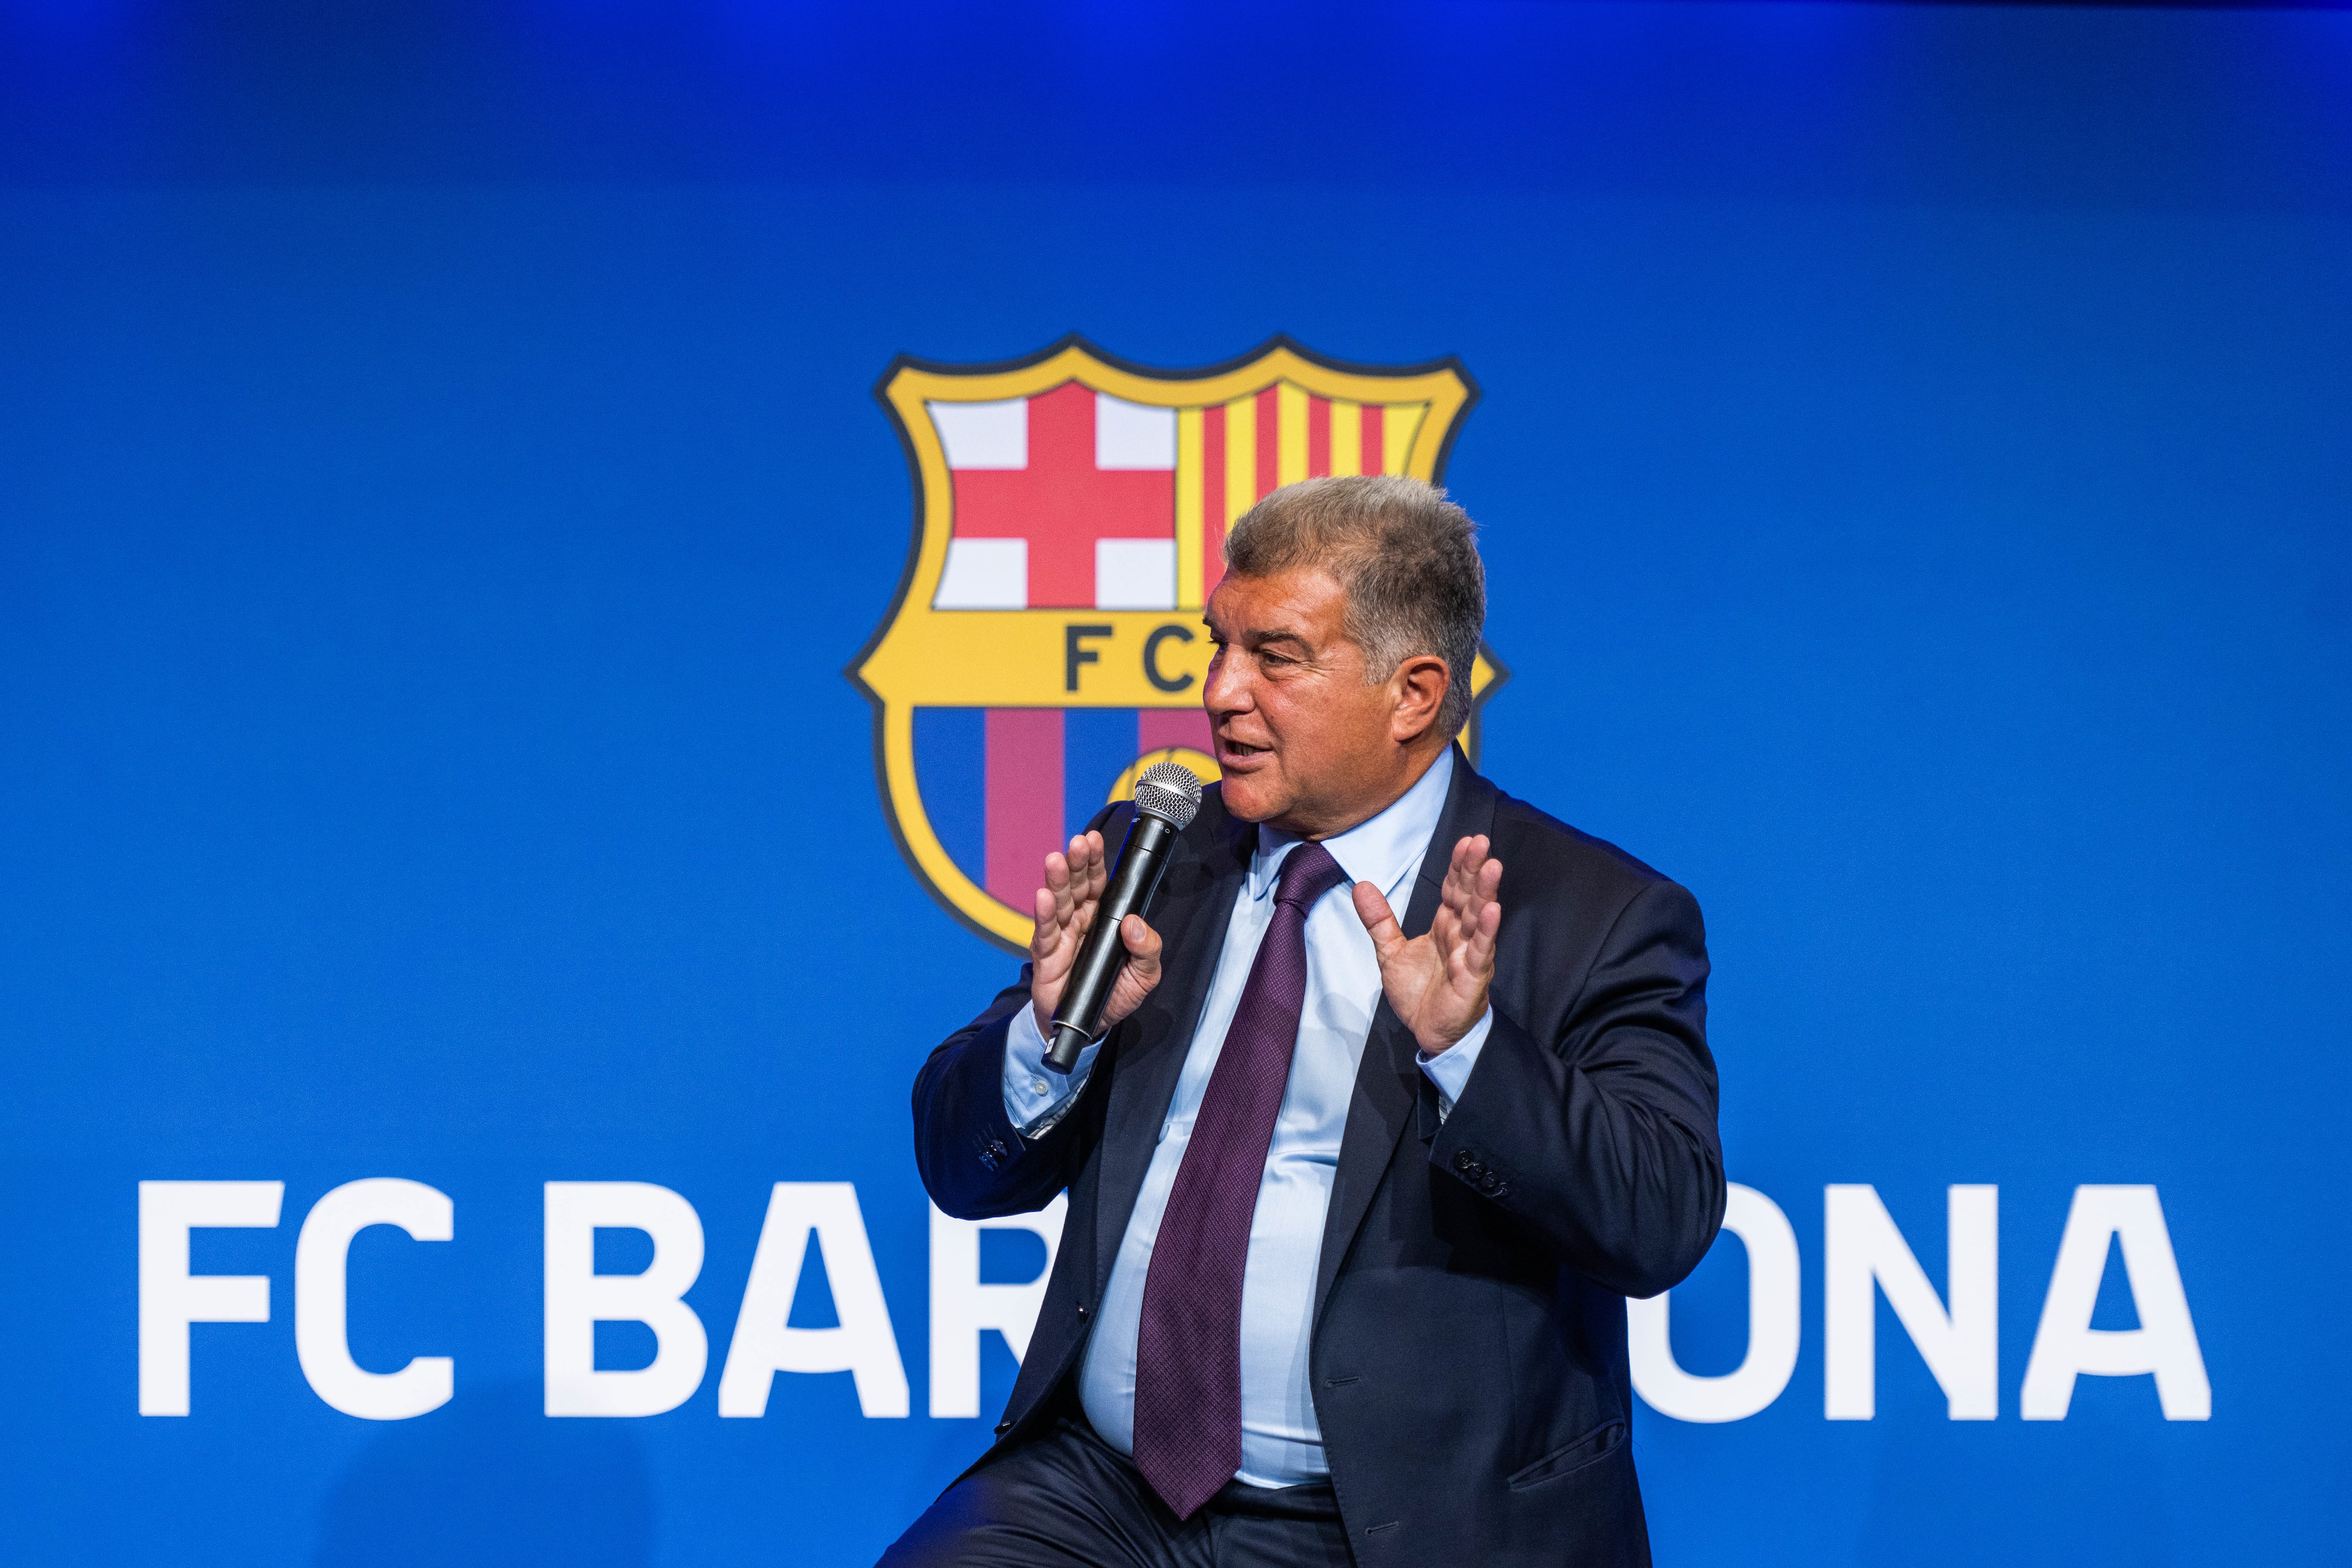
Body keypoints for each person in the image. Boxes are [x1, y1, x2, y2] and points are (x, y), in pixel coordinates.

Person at [887, 476, 1723, 1567]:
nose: (1219, 691)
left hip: (1407, 1527)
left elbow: (1659, 1217)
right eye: (1217, 643)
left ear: (1414, 692)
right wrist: (1055, 1037)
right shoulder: (1160, 856)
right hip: (1105, 1492)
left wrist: (1467, 1050)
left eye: (1275, 656)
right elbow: (964, 1170)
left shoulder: (1593, 913)